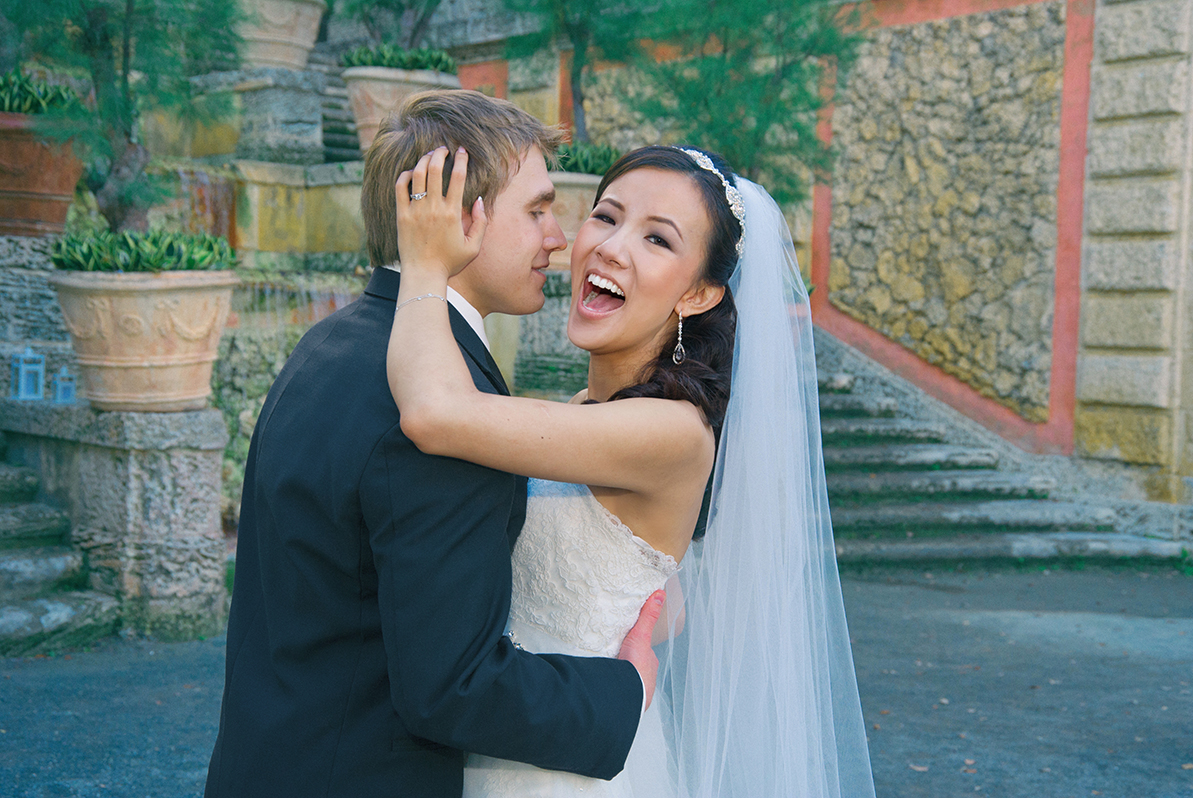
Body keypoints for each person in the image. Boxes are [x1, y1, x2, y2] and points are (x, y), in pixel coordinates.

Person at [204, 90, 665, 798]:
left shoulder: (328, 344)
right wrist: (622, 692)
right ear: (456, 216)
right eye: (538, 209)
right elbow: (452, 687)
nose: (561, 238)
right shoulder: (444, 409)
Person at [387, 143, 877, 797]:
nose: (612, 247)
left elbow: (432, 413)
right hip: (518, 729)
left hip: (565, 773)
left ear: (700, 292)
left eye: (656, 239)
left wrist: (423, 265)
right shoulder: (586, 415)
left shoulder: (670, 432)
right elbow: (645, 588)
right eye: (607, 216)